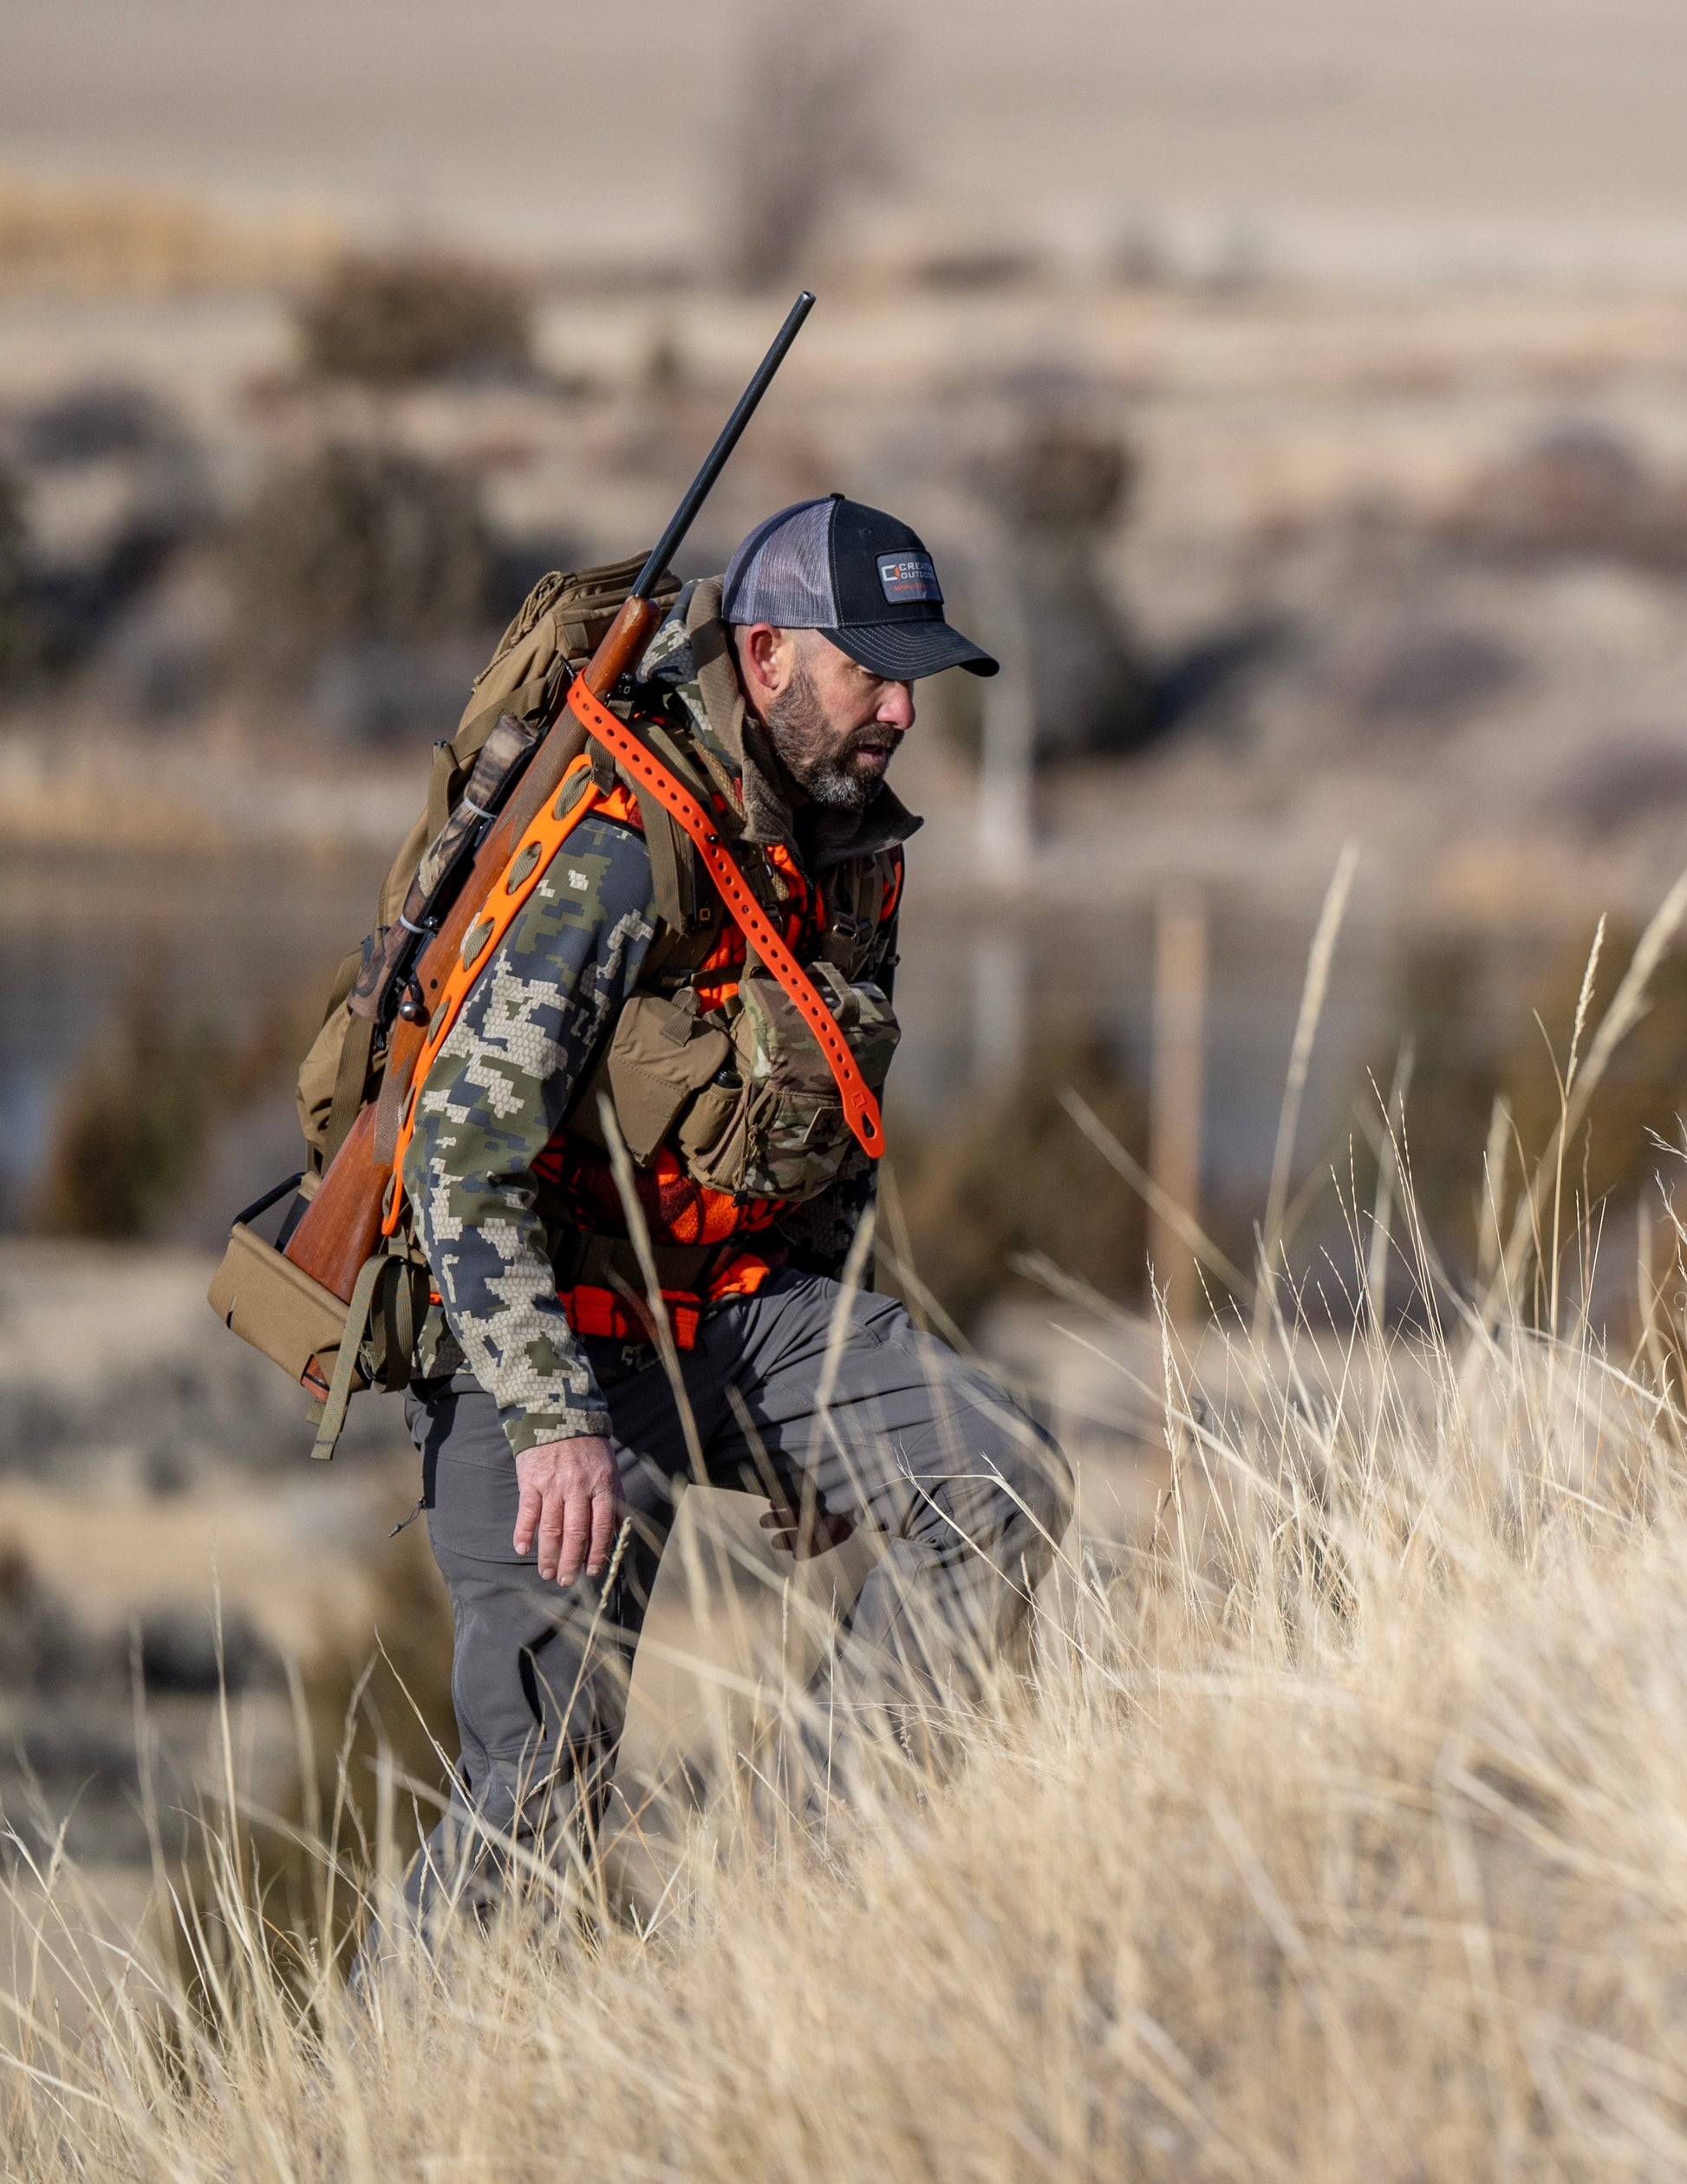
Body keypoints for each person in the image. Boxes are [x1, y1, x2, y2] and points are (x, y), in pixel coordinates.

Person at [398, 492, 1071, 1926]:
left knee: (1000, 1477)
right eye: (871, 672)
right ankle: (377, 2068)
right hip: (539, 1345)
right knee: (540, 1793)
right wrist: (552, 1422)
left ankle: (803, 1904)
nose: (901, 708)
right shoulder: (614, 841)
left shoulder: (855, 849)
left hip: (732, 1321)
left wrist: (823, 1420)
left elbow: (829, 1134)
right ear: (765, 655)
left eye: (916, 678)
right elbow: (457, 1153)